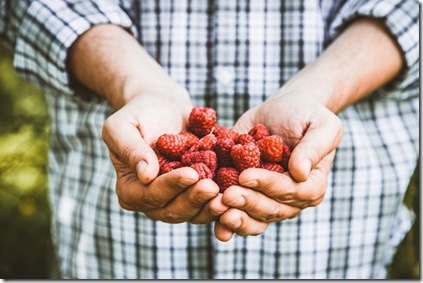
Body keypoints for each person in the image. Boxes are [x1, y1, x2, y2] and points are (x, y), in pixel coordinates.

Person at [0, 0, 419, 279]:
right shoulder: (212, 147)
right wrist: (136, 84)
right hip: (117, 255)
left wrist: (319, 91)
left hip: (337, 245)